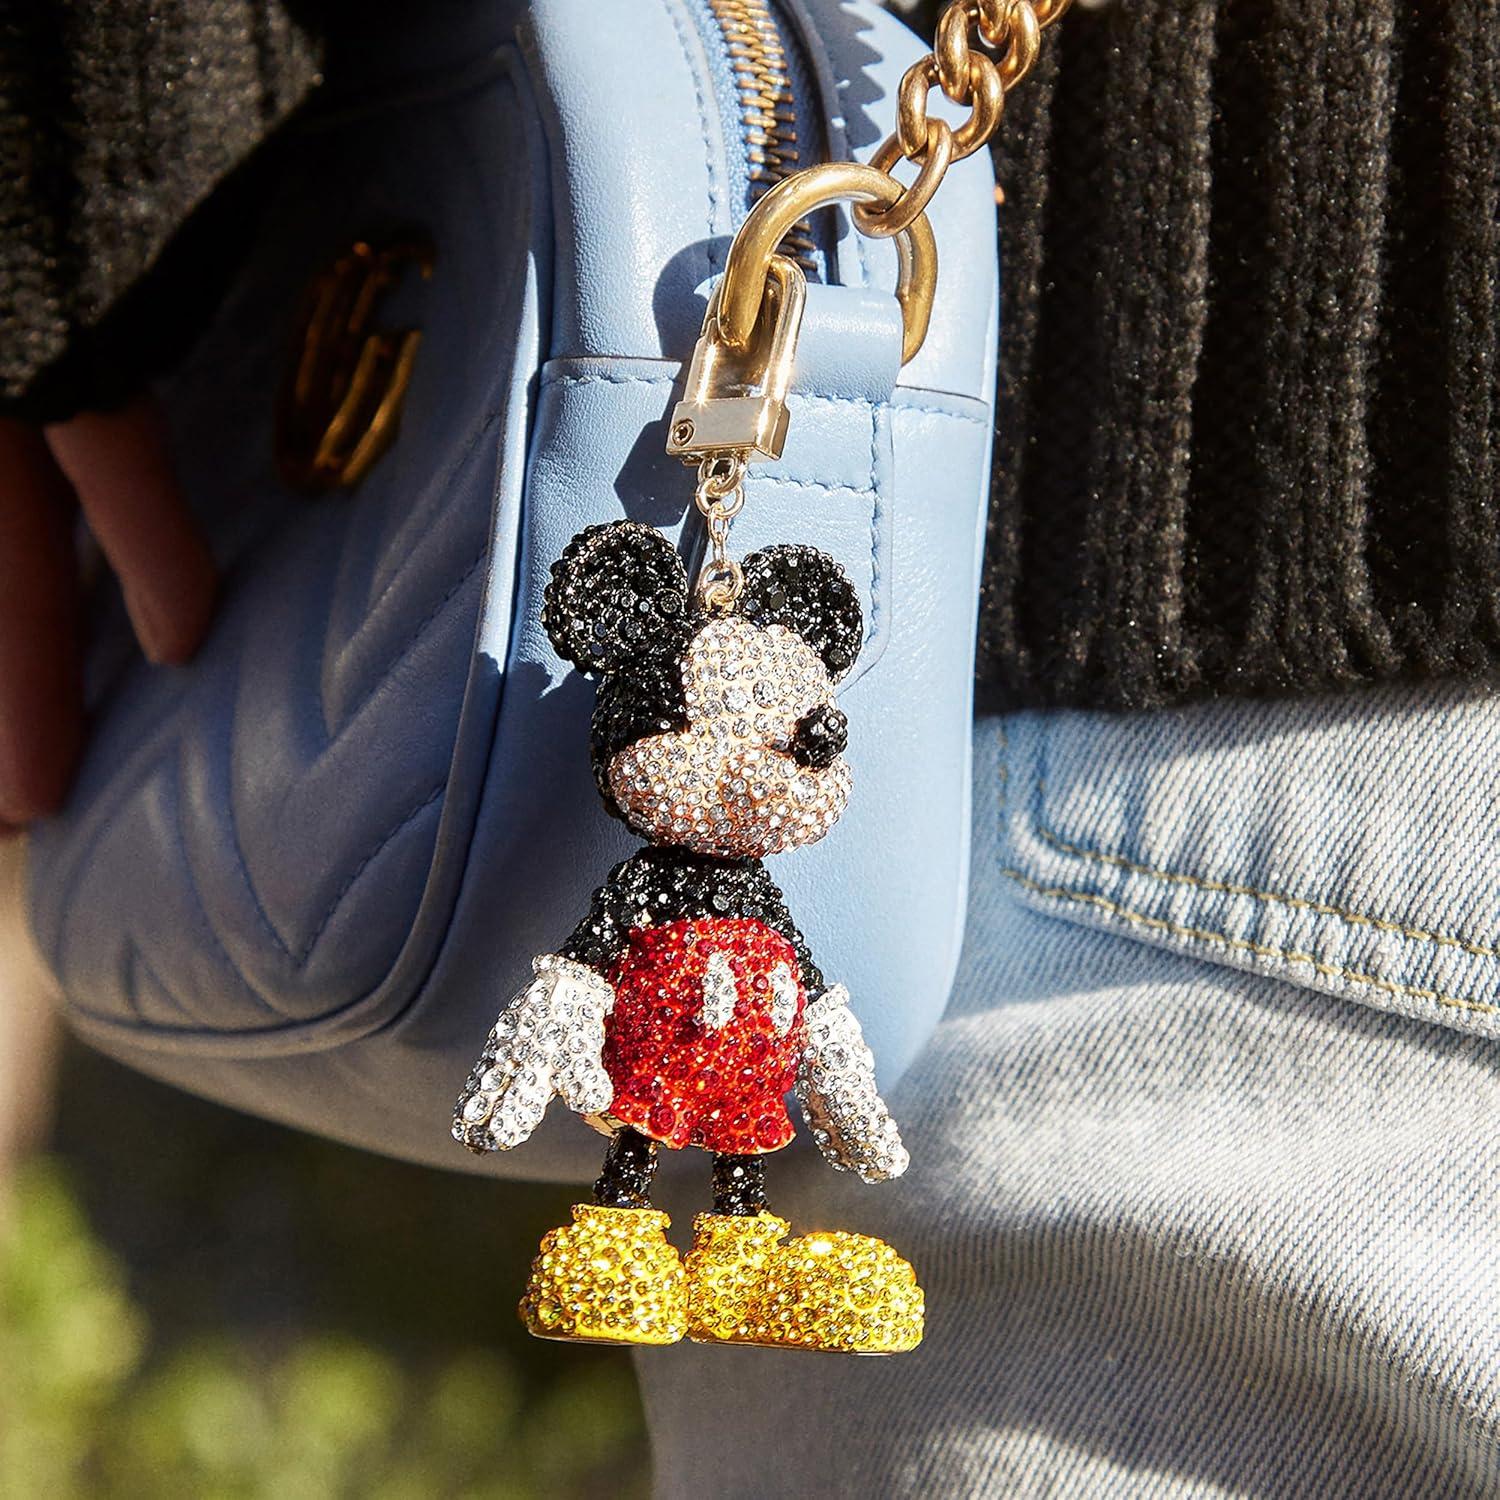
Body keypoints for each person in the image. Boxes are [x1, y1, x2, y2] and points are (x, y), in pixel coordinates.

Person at [3, 1, 1497, 1493]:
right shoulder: (671, 885)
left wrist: (83, 174)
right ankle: (640, 1239)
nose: (741, 764)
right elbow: (574, 991)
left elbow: (805, 1016)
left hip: (1102, 770)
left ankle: (723, 1251)